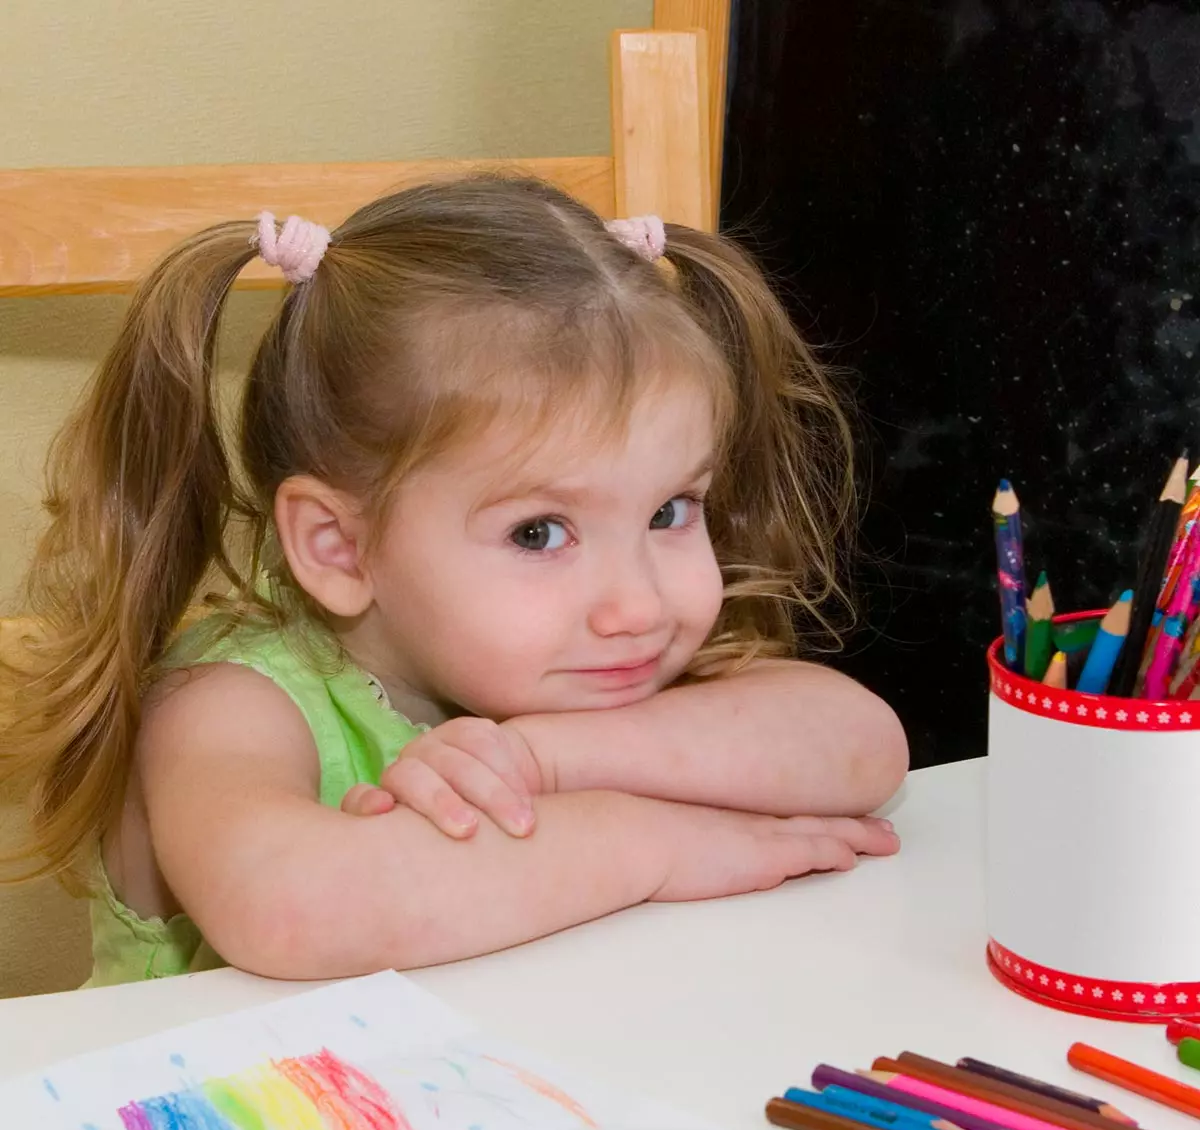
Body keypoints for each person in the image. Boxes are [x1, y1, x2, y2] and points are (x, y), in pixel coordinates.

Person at [1, 176, 907, 987]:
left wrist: (552, 761)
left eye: (670, 512)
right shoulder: (229, 701)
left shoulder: (589, 668)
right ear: (340, 548)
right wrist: (654, 843)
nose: (640, 603)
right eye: (540, 532)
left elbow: (864, 748)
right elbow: (291, 907)